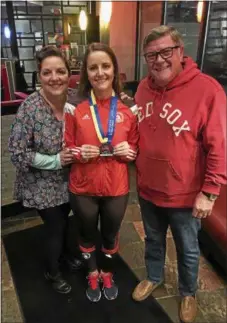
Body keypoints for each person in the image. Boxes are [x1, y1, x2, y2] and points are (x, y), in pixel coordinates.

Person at [128, 26, 226, 323]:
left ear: (180, 51)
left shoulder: (207, 89)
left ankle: (187, 292)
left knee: (188, 249)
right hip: (148, 188)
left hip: (185, 194)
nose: (159, 60)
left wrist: (209, 192)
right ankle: (154, 276)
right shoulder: (143, 88)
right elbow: (140, 130)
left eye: (165, 52)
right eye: (151, 55)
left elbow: (219, 145)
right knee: (153, 240)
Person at [64, 42, 139, 302]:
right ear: (86, 72)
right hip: (83, 187)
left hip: (116, 187)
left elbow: (137, 146)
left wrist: (130, 151)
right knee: (86, 234)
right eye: (93, 67)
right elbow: (67, 146)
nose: (100, 73)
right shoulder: (74, 106)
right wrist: (78, 152)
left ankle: (107, 271)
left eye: (105, 66)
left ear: (114, 69)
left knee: (109, 235)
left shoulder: (129, 107)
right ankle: (91, 271)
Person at [8, 46, 82, 294]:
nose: (55, 78)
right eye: (47, 72)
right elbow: (17, 153)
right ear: (39, 76)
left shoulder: (75, 99)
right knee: (56, 226)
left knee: (66, 220)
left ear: (68, 73)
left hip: (69, 179)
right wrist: (55, 160)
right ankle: (52, 270)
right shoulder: (30, 109)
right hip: (39, 182)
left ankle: (66, 254)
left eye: (60, 71)